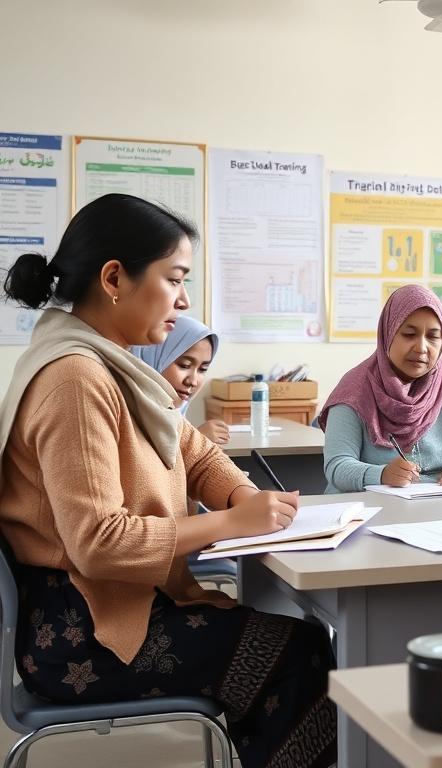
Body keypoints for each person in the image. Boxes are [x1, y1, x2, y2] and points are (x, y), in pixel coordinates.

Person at [0, 193, 337, 767]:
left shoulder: (113, 366)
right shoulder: (76, 379)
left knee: (292, 648)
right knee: (299, 652)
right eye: (175, 279)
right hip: (86, 634)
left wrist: (245, 496)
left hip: (107, 609)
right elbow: (98, 541)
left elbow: (196, 453)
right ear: (114, 278)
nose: (183, 301)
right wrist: (231, 523)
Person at [320, 284, 442, 493]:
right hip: (375, 506)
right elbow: (337, 465)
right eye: (409, 334)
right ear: (388, 333)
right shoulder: (355, 388)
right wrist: (381, 475)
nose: (421, 348)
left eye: (433, 336)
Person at [131, 315, 230, 445]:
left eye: (202, 369)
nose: (193, 381)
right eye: (184, 365)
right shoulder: (124, 409)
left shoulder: (176, 420)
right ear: (153, 358)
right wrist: (195, 441)